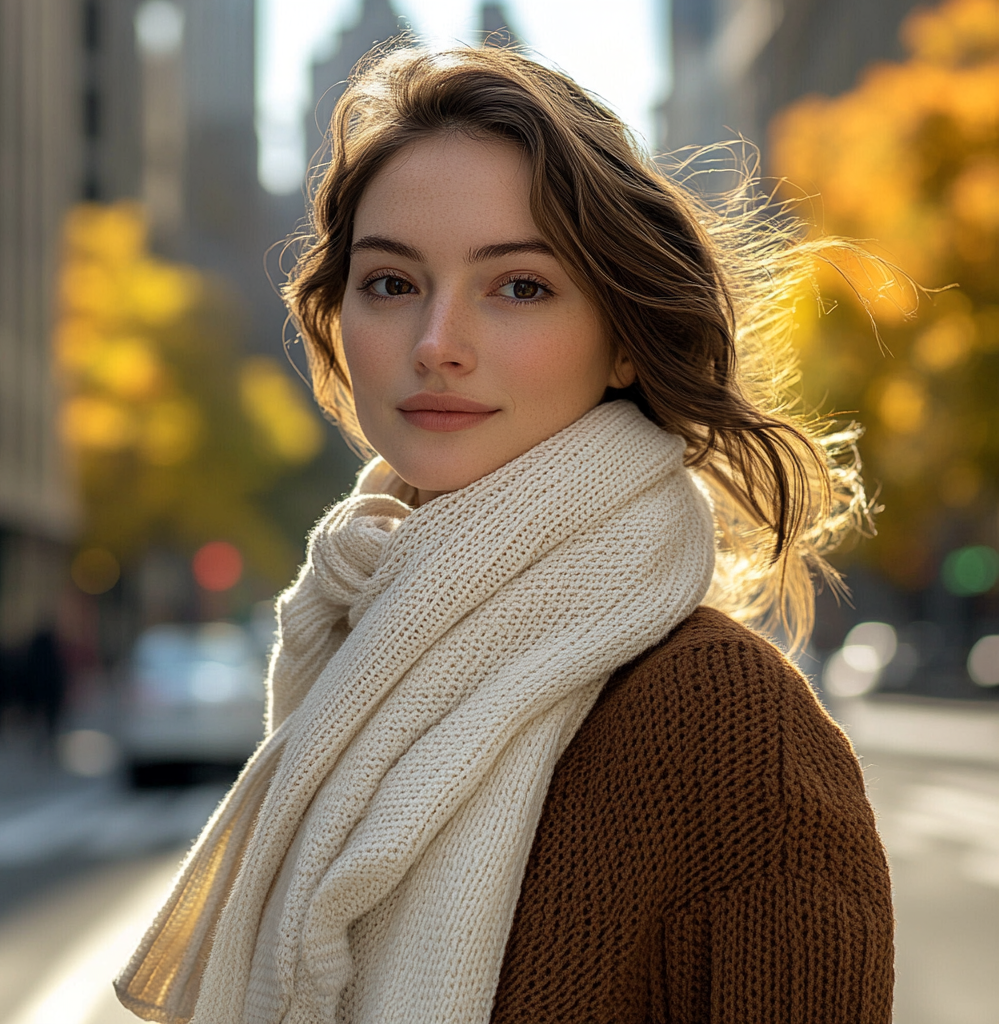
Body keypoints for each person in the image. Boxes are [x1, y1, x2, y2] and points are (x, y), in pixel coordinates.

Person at [116, 43, 894, 1024]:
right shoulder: (350, 654)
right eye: (391, 284)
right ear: (337, 317)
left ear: (620, 336)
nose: (437, 341)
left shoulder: (729, 725)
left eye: (519, 285)